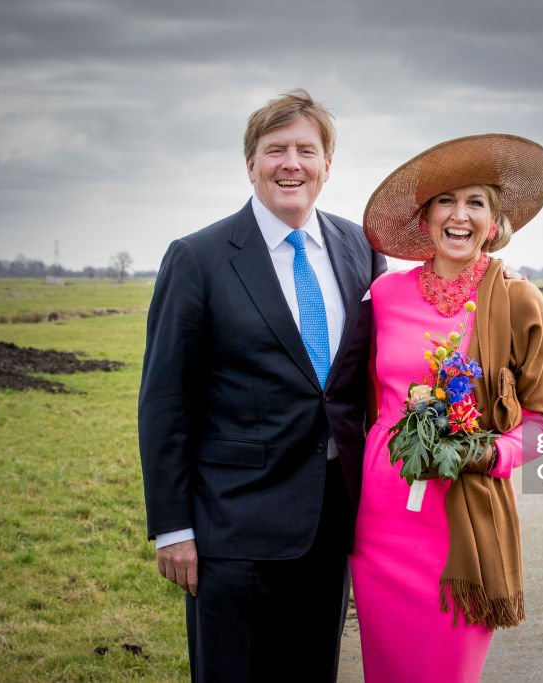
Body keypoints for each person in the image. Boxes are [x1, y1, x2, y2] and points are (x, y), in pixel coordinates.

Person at [138, 89, 385, 682]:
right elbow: (164, 402)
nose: (291, 164)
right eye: (275, 150)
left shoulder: (362, 249)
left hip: (333, 522)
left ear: (329, 165)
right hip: (233, 529)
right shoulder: (197, 258)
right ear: (250, 163)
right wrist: (174, 528)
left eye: (307, 149)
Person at [351, 134, 543, 681]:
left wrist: (485, 452)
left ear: (495, 221)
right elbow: (362, 402)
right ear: (424, 218)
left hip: (460, 527)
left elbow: (542, 426)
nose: (459, 215)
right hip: (379, 522)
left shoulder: (518, 300)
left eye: (476, 202)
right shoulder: (384, 295)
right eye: (445, 200)